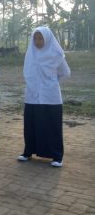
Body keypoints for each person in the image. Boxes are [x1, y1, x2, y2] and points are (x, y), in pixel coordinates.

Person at [18, 26, 71, 167]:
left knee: (52, 127)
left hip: (50, 97)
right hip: (32, 95)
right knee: (31, 125)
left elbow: (66, 72)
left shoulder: (56, 54)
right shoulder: (30, 54)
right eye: (35, 38)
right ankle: (28, 152)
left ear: (47, 38)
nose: (37, 41)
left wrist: (51, 82)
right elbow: (27, 73)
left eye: (40, 38)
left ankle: (57, 157)